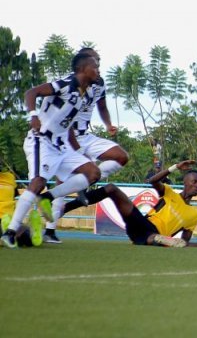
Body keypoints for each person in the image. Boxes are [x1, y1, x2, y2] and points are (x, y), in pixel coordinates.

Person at [0, 52, 102, 249]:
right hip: (41, 141)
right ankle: (10, 232)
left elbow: (68, 126)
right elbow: (31, 93)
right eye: (94, 67)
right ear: (82, 69)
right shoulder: (65, 84)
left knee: (93, 172)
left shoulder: (85, 95)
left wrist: (79, 151)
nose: (98, 70)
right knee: (37, 183)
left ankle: (48, 197)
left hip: (61, 146)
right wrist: (33, 116)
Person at [44, 47, 129, 244]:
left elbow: (102, 106)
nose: (98, 65)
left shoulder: (99, 83)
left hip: (86, 136)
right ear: (84, 66)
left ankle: (87, 179)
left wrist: (108, 124)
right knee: (61, 182)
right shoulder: (70, 83)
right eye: (94, 62)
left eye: (98, 61)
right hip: (67, 138)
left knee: (121, 156)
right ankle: (50, 229)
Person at [65, 160, 197, 248]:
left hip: (151, 235)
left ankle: (159, 240)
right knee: (111, 188)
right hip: (142, 223)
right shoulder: (169, 193)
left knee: (156, 238)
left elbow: (184, 242)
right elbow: (153, 181)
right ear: (185, 182)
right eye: (194, 181)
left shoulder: (194, 215)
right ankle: (64, 208)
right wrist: (175, 167)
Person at [0, 169, 43, 248]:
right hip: (11, 216)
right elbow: (15, 195)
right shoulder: (10, 177)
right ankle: (28, 232)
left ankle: (8, 233)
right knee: (26, 239)